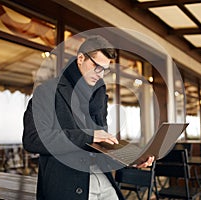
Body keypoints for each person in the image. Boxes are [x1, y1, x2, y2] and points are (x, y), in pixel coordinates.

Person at [23, 35, 154, 200]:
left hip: (103, 179)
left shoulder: (99, 95)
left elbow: (100, 147)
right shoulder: (47, 92)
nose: (100, 74)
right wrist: (88, 136)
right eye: (96, 66)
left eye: (104, 69)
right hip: (66, 184)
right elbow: (32, 139)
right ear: (80, 58)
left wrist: (130, 159)